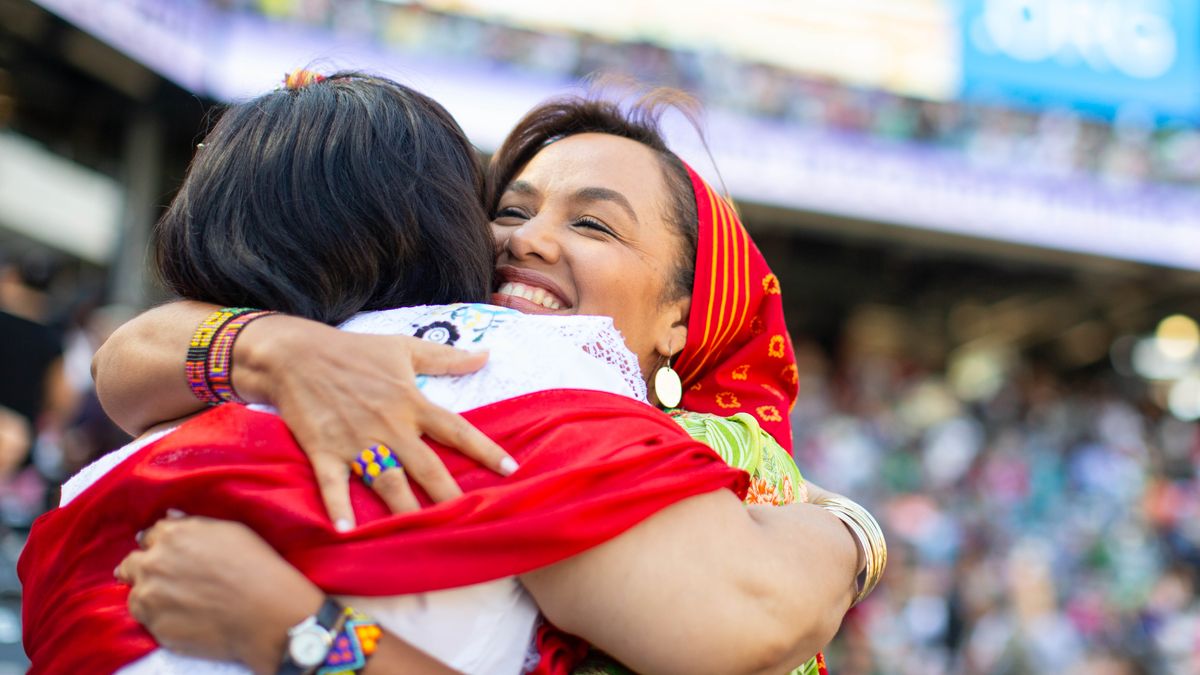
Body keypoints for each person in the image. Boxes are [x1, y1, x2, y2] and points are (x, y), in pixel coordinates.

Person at [73, 73, 881, 674]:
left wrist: (303, 629)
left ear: (683, 317)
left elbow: (757, 613)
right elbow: (128, 357)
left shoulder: (692, 464)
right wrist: (280, 351)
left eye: (593, 222)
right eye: (510, 209)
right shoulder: (394, 361)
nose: (525, 240)